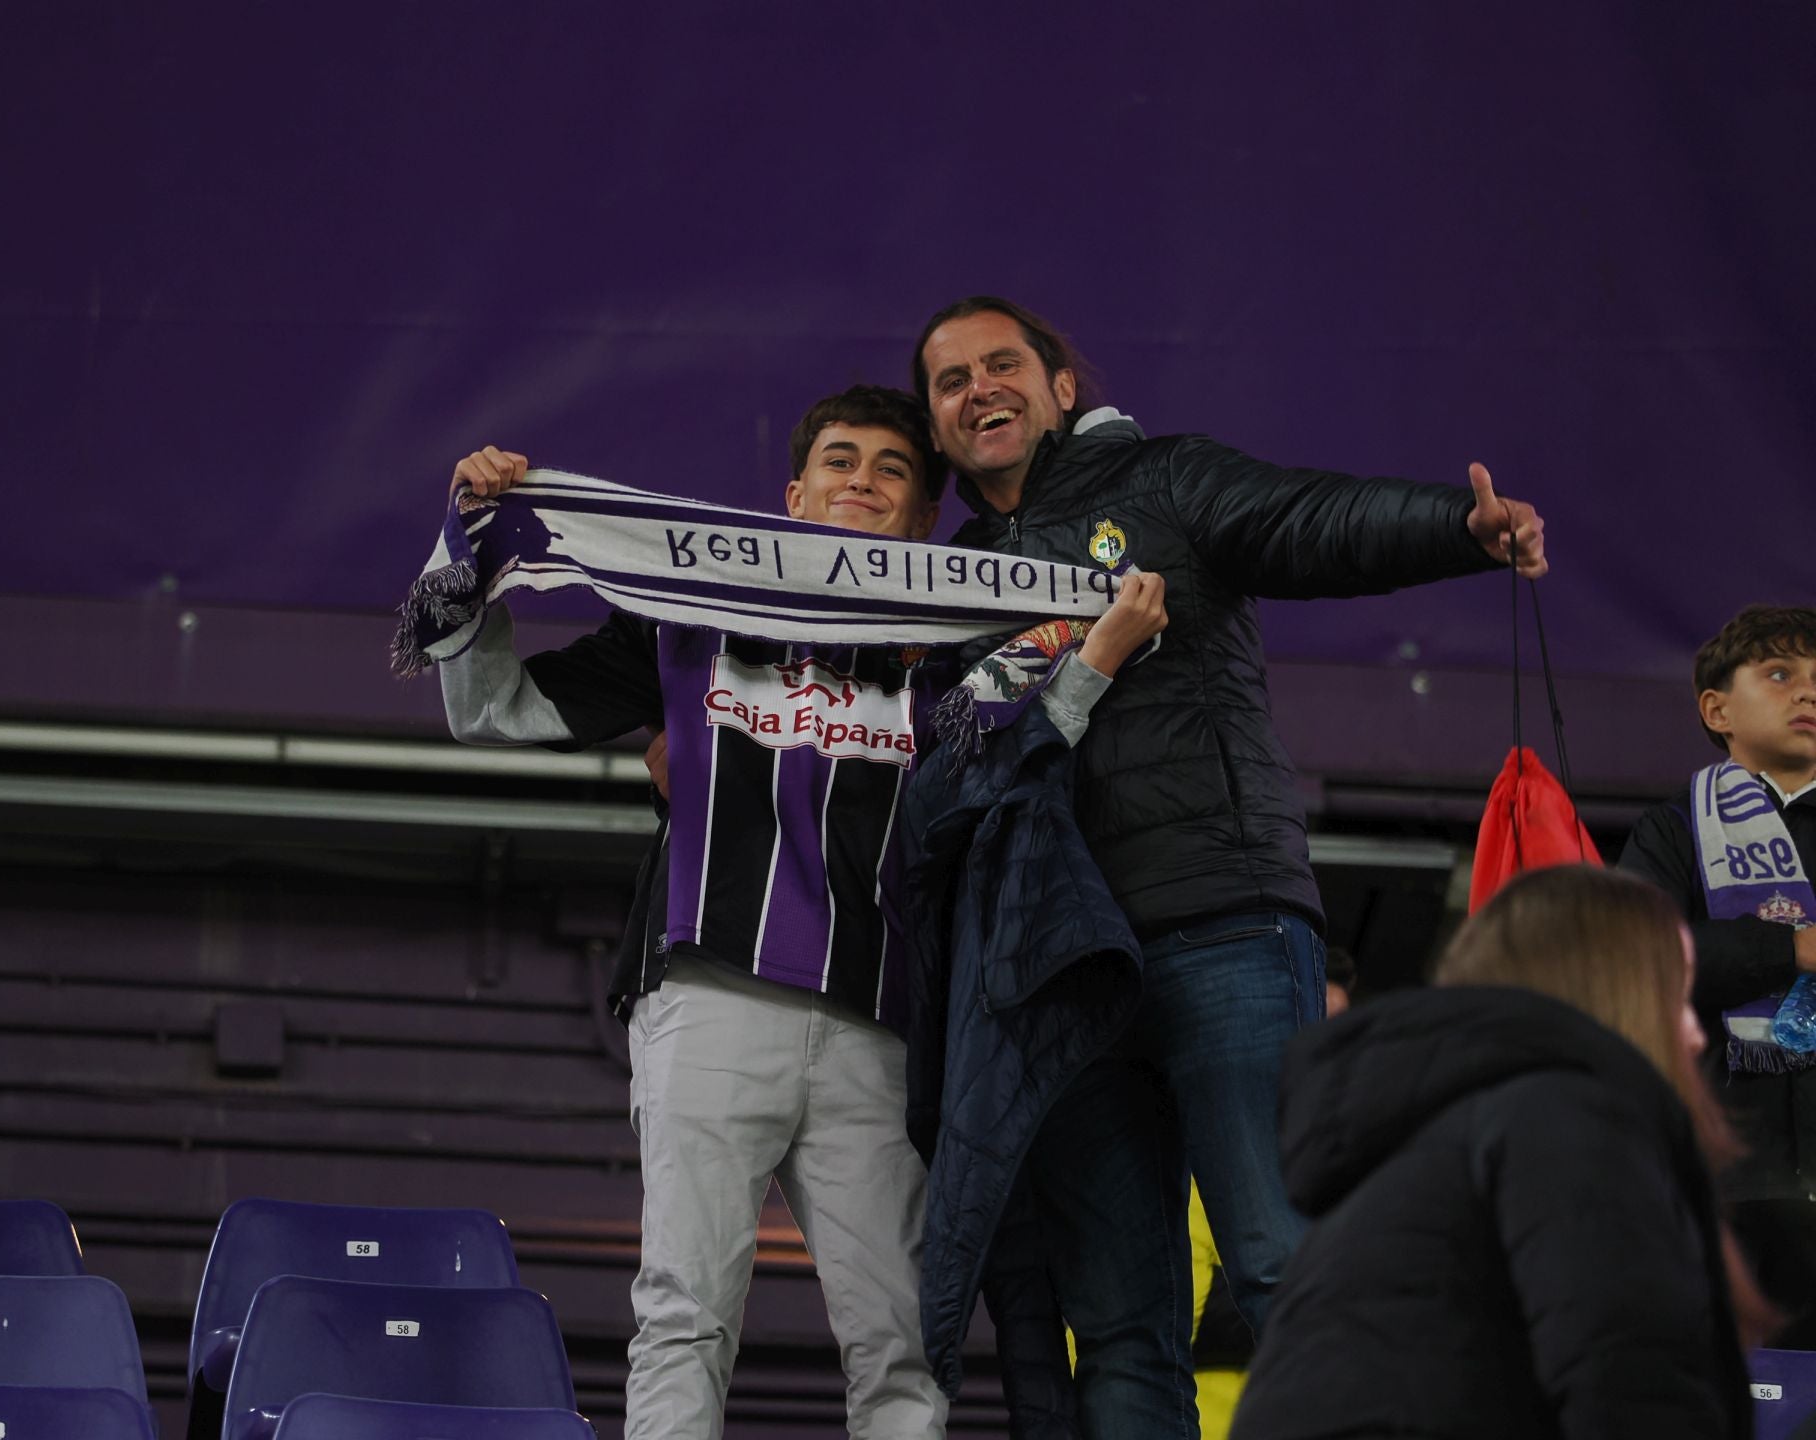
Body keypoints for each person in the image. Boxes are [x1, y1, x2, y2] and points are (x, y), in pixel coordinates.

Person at [438, 383, 1155, 1440]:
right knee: (685, 1313)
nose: (862, 479)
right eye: (839, 461)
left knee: (905, 1345)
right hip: (710, 996)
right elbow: (498, 711)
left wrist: (1095, 652)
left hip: (882, 1028)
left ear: (924, 520)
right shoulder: (692, 606)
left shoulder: (955, 647)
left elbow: (1002, 768)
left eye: (892, 469)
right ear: (795, 494)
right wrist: (478, 552)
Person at [910, 295, 1548, 1437]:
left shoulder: (1162, 481)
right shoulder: (950, 578)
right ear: (937, 423)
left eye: (1002, 364)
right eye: (950, 381)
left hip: (1221, 918)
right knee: (1117, 1327)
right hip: (1066, 965)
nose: (978, 389)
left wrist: (1456, 526)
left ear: (1062, 388)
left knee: (1276, 1262)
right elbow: (954, 762)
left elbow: (1307, 521)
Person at [1230, 865, 1751, 1439]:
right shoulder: (1565, 1116)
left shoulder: (1436, 1145)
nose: (1697, 1034)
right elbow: (1636, 1386)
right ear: (1611, 995)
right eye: (1677, 998)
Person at [1618, 603, 1816, 1336]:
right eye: (1780, 674)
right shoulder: (1673, 830)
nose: (1809, 691)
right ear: (1717, 710)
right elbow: (1634, 961)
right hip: (1725, 1179)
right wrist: (1788, 950)